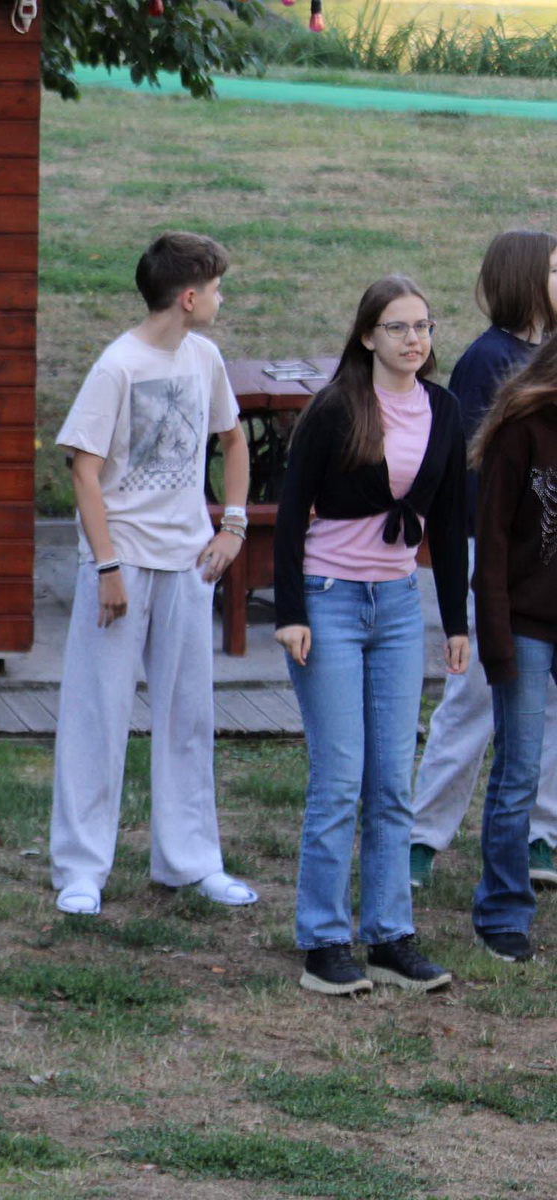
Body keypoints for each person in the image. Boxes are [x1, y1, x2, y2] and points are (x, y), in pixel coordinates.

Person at [46, 231, 257, 919]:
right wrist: (108, 565)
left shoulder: (205, 358)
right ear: (189, 297)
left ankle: (191, 861)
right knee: (97, 715)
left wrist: (232, 526)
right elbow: (83, 472)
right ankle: (81, 869)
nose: (222, 299)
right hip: (122, 564)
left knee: (188, 715)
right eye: (217, 289)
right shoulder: (118, 366)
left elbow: (232, 441)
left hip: (188, 564)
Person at [275, 275, 469, 997]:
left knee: (392, 781)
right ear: (367, 337)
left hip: (396, 608)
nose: (414, 339)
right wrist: (290, 613)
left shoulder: (444, 409)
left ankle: (390, 935)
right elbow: (290, 512)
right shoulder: (337, 407)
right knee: (339, 779)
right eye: (397, 327)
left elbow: (449, 520)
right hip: (328, 602)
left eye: (423, 326)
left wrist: (455, 622)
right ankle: (325, 942)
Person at [409, 231, 557, 892]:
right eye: (555, 268)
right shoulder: (488, 359)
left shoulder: (551, 353)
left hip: (545, 563)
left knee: (547, 706)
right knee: (474, 697)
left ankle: (540, 833)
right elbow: (474, 473)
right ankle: (421, 836)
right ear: (524, 277)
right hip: (490, 555)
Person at [467, 335, 557, 962]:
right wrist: (497, 642)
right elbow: (491, 546)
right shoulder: (520, 432)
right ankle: (502, 910)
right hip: (525, 625)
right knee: (519, 771)